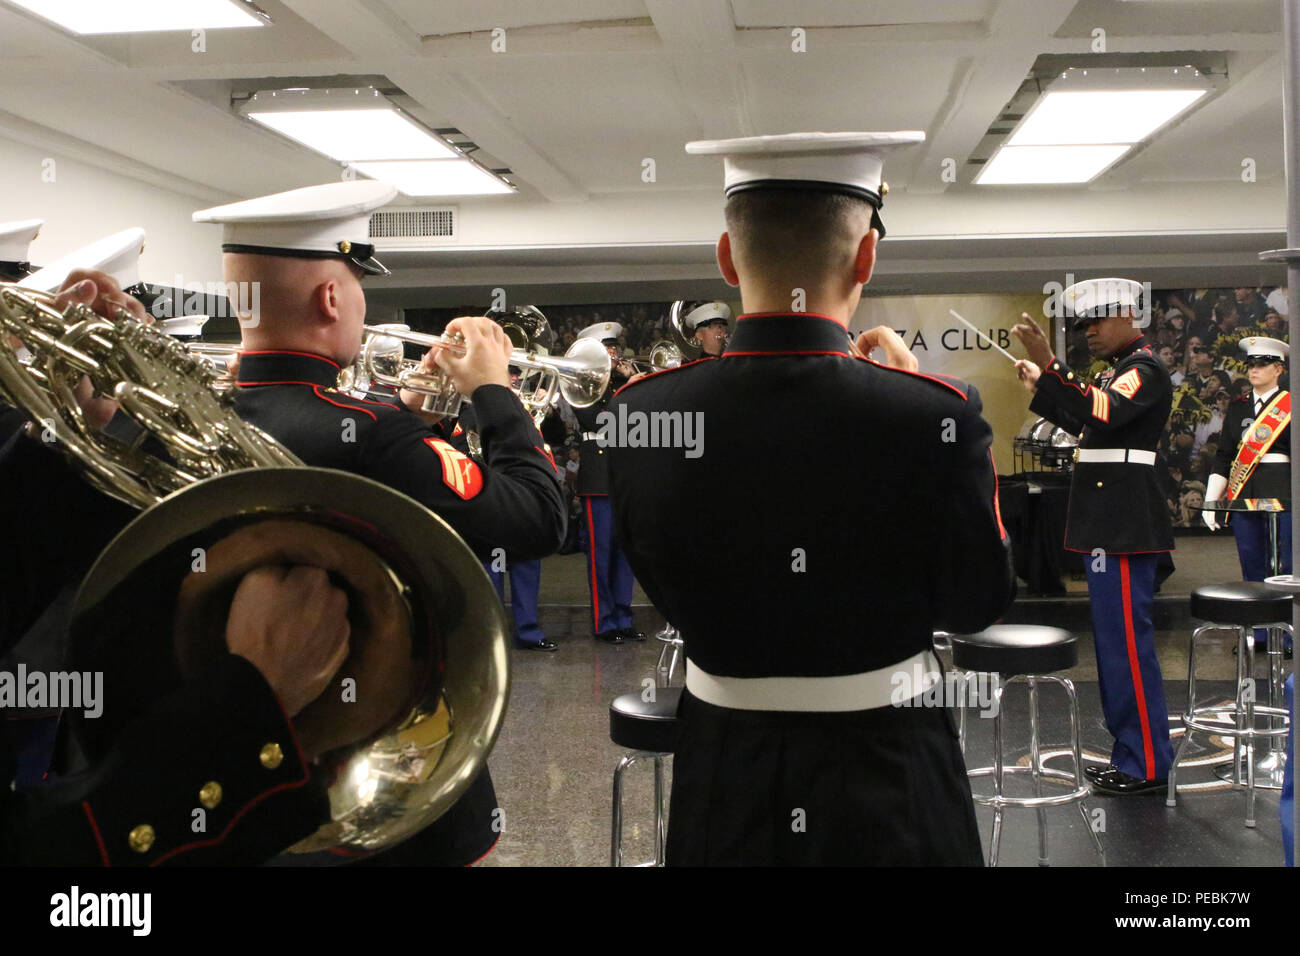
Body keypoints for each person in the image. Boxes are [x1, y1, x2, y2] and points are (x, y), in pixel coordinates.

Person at [608, 130, 1014, 865]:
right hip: (891, 768)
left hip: (723, 774)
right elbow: (975, 599)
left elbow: (663, 581)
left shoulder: (641, 413)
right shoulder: (937, 414)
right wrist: (919, 406)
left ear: (728, 258)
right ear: (867, 257)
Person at [189, 180, 567, 865]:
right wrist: (496, 393)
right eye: (358, 282)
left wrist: (416, 419)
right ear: (332, 297)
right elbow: (540, 519)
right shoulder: (374, 431)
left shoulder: (195, 418)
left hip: (238, 783)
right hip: (383, 785)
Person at [1013, 277, 1176, 796]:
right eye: (1082, 325)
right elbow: (1091, 425)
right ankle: (1130, 753)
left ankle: (1147, 762)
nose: (1090, 332)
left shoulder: (1144, 370)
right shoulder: (1120, 373)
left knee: (1127, 648)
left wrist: (1051, 365)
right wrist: (1043, 383)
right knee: (1113, 648)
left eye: (1098, 320)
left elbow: (1102, 411)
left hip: (1125, 528)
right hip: (1109, 528)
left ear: (1129, 313)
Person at [1204, 336, 1293, 654]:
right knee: (1252, 565)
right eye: (1251, 364)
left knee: (1286, 567)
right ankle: (1260, 634)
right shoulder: (1239, 407)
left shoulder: (1291, 404)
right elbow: (1225, 455)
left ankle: (1289, 633)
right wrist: (1211, 500)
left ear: (1278, 369)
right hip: (1245, 494)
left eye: (1261, 364)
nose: (1254, 370)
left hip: (1285, 494)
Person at [571, 321, 643, 645]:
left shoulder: (621, 384)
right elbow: (599, 420)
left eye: (615, 348)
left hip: (625, 476)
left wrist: (632, 385)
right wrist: (627, 387)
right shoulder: (581, 385)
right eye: (608, 349)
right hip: (598, 478)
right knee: (601, 554)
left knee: (625, 553)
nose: (615, 354)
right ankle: (604, 622)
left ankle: (624, 617)